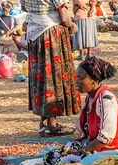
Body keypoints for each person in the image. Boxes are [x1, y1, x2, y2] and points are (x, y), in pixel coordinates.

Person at [43, 58, 118, 165]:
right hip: (91, 144)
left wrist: (81, 150)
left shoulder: (106, 100)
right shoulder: (90, 97)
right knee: (50, 157)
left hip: (108, 150)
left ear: (94, 80)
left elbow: (106, 138)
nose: (76, 81)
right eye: (76, 77)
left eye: (80, 78)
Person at [24, 0, 80, 136]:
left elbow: (23, 7)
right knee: (53, 77)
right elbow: (64, 17)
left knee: (40, 76)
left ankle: (43, 123)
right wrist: (72, 26)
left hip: (34, 34)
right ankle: (51, 125)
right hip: (50, 34)